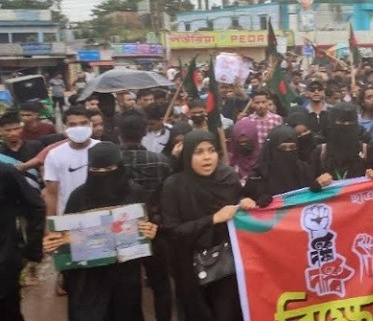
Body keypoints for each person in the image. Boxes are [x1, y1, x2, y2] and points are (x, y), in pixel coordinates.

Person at [43, 142, 158, 321]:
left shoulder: (136, 194)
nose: (103, 175)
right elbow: (64, 239)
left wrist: (150, 232)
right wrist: (55, 245)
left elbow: (148, 233)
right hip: (88, 279)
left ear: (120, 167)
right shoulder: (78, 197)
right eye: (96, 170)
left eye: (109, 169)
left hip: (125, 278)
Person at [160, 131, 255, 321]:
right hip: (190, 266)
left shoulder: (228, 177)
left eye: (211, 150)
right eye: (199, 152)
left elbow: (237, 207)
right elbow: (173, 231)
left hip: (227, 264)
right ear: (187, 155)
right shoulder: (174, 185)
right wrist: (212, 219)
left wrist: (245, 203)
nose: (207, 157)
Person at [116, 111, 173, 321]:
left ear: (118, 133)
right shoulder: (162, 161)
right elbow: (168, 196)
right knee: (161, 284)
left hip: (122, 233)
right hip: (156, 230)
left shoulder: (112, 164)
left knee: (127, 286)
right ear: (144, 132)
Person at [0, 164, 44, 321]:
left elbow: (36, 207)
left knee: (7, 307)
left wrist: (31, 251)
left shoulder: (6, 173)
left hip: (5, 257)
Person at [44, 106, 100, 216]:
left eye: (83, 123)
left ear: (90, 124)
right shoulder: (54, 155)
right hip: (68, 216)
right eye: (73, 125)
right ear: (65, 127)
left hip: (100, 213)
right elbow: (51, 194)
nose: (79, 128)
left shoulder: (102, 149)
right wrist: (51, 221)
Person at [309, 103, 368, 191]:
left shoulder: (365, 150)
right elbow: (306, 189)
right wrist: (317, 184)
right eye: (341, 122)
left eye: (351, 122)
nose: (346, 126)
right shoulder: (320, 153)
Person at [229, 118, 260, 183]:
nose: (243, 144)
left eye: (246, 141)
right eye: (240, 141)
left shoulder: (264, 164)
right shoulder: (229, 169)